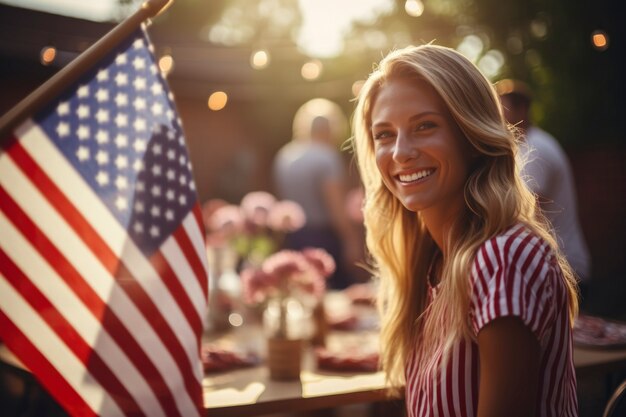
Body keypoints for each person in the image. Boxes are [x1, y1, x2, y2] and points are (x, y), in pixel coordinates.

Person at [351, 45, 579, 416]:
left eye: (425, 126)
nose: (400, 152)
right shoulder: (430, 263)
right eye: (384, 134)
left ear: (472, 136)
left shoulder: (503, 257)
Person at [496, 79, 592, 285]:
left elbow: (521, 212)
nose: (498, 117)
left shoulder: (535, 149)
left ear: (522, 110)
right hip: (554, 265)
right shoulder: (526, 146)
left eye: (503, 109)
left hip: (564, 268)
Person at [273, 98, 361, 289]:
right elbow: (336, 206)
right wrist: (351, 241)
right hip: (324, 239)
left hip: (293, 237)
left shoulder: (285, 156)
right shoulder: (327, 158)